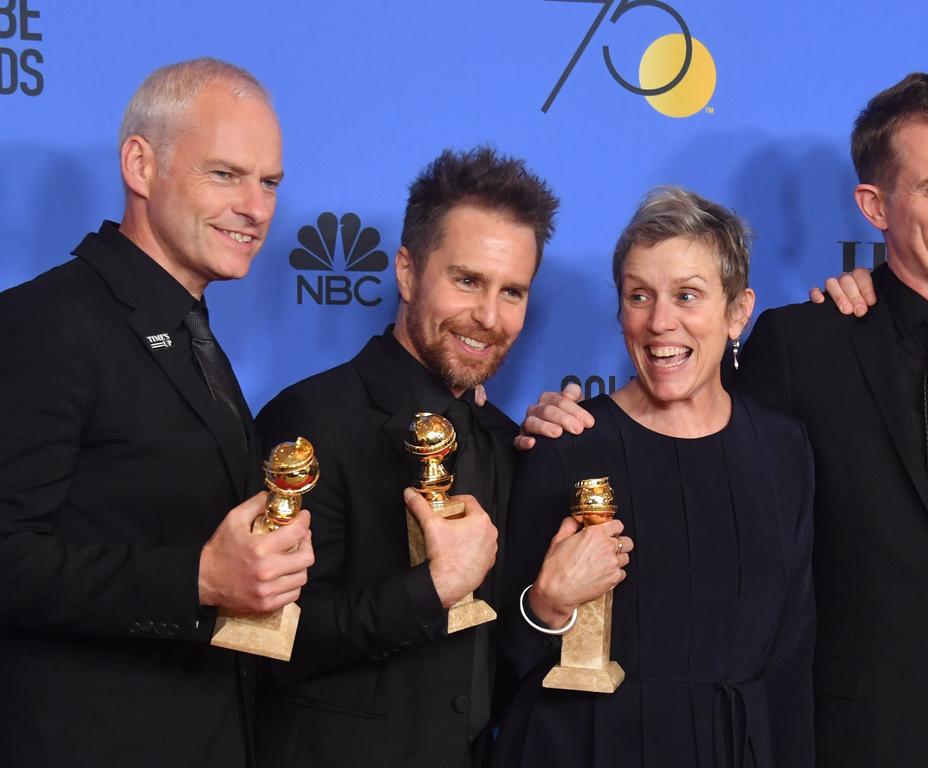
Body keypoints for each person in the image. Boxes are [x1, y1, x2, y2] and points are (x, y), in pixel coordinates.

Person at [523, 72, 928, 768]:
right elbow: (683, 412)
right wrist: (567, 423)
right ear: (874, 206)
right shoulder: (801, 346)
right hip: (850, 740)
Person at [0, 58, 314, 767]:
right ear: (141, 166)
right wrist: (197, 580)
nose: (256, 209)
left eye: (269, 183)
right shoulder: (45, 323)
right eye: (226, 174)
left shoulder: (187, 329)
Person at [254, 146, 559, 768]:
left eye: (513, 292)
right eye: (467, 280)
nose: (488, 316)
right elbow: (270, 636)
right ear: (407, 272)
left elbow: (493, 659)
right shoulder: (312, 419)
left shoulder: (505, 442)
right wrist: (432, 589)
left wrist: (550, 607)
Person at [495, 186, 814, 768]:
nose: (660, 322)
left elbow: (791, 656)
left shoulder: (784, 450)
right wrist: (545, 605)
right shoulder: (566, 446)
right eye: (639, 296)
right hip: (582, 748)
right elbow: (499, 657)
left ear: (738, 310)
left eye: (687, 296)